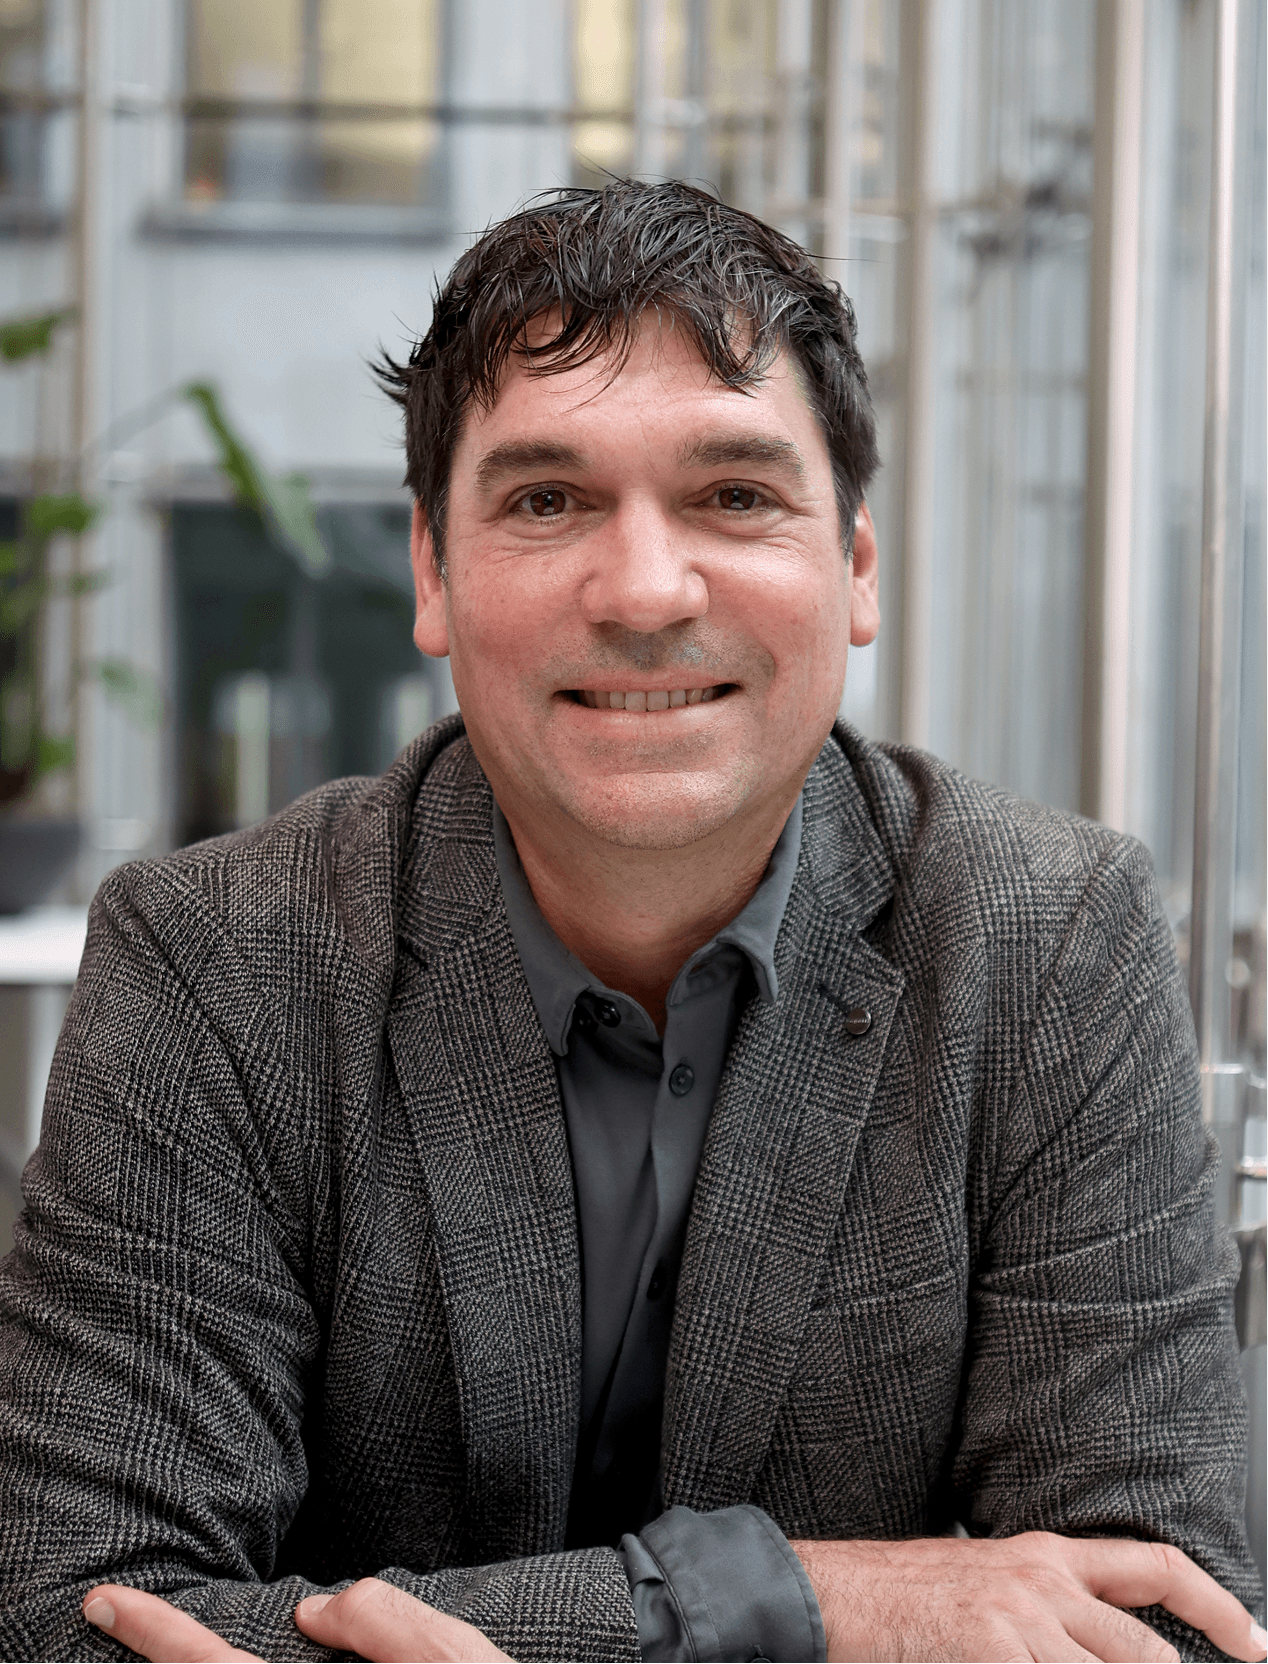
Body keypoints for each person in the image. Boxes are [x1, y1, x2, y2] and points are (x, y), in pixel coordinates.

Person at [0, 180, 1262, 1664]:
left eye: (735, 496)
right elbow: (69, 1617)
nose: (648, 592)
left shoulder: (1049, 940)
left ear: (855, 565)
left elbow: (1165, 1619)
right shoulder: (217, 959)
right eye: (548, 501)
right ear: (433, 573)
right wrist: (783, 1604)